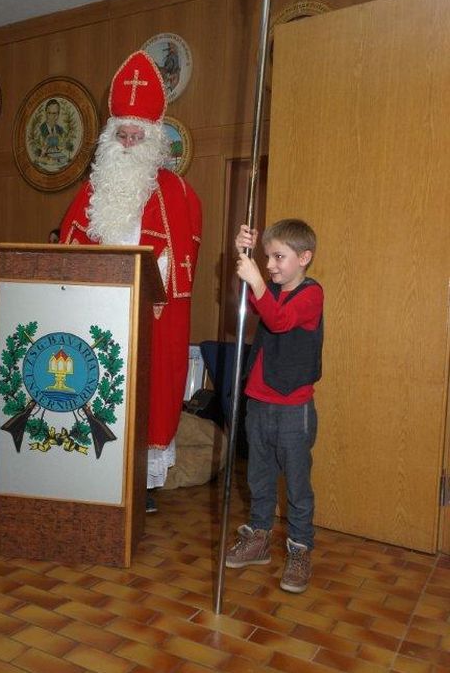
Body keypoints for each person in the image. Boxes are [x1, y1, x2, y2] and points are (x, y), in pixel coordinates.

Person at [59, 50, 202, 513]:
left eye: (136, 136)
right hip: (97, 313)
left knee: (142, 394)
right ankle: (92, 472)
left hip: (146, 315)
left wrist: (152, 279)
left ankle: (141, 483)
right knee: (94, 390)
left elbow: (181, 264)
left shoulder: (178, 193)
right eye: (121, 134)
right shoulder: (92, 191)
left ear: (153, 140)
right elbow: (69, 246)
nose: (126, 143)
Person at [225, 220, 323, 593]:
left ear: (304, 257)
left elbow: (280, 321)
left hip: (292, 407)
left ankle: (300, 550)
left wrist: (257, 280)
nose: (270, 265)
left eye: (279, 257)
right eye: (267, 257)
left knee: (296, 484)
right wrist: (242, 254)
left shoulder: (311, 295)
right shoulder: (273, 289)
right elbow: (245, 300)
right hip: (259, 402)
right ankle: (259, 537)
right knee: (259, 477)